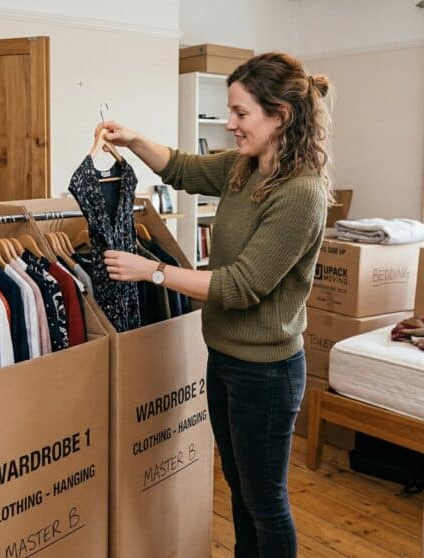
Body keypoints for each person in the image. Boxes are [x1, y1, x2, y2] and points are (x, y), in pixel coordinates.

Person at [99, 52, 332, 558]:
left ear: (281, 117)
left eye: (241, 114)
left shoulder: (302, 195)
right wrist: (133, 139)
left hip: (267, 373)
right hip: (226, 359)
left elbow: (240, 286)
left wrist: (153, 270)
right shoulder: (241, 170)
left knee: (265, 502)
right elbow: (182, 167)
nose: (229, 125)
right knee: (241, 492)